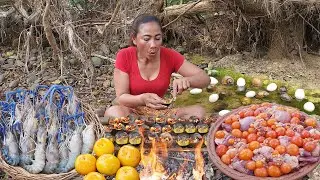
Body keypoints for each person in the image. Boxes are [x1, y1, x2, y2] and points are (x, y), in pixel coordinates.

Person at [104, 14, 210, 120]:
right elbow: (121, 97)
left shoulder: (169, 56)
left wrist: (188, 80)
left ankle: (157, 129)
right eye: (146, 39)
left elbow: (205, 79)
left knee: (199, 111)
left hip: (160, 113)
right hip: (132, 112)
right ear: (134, 39)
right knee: (114, 112)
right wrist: (142, 99)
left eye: (157, 38)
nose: (153, 44)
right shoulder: (125, 56)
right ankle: (142, 131)